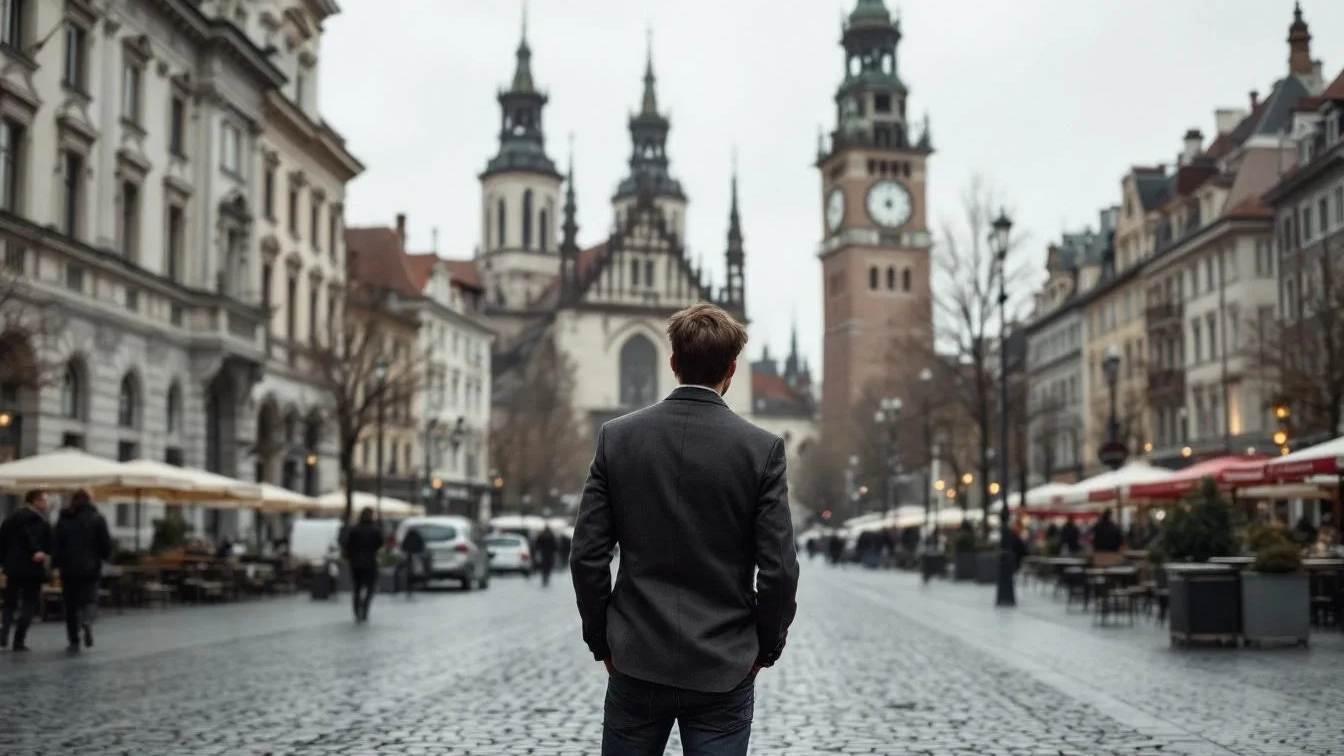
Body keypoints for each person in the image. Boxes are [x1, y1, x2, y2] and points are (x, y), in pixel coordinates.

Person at [571, 303, 800, 756]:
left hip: (637, 657)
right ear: (732, 369)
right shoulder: (762, 449)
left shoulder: (616, 438)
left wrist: (604, 641)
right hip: (724, 661)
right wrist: (763, 651)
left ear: (673, 362)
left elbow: (587, 556)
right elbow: (779, 569)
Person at [51, 490, 111, 652]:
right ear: (89, 500)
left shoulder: (64, 519)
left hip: (68, 568)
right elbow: (105, 544)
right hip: (90, 567)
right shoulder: (97, 519)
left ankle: (73, 640)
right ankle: (87, 621)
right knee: (90, 598)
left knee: (70, 604)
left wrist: (54, 565)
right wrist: (105, 558)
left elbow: (56, 544)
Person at [0, 490, 52, 651]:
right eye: (44, 500)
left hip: (13, 568)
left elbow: (1, 543)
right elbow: (48, 546)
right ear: (35, 501)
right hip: (32, 569)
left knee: (10, 602)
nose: (46, 504)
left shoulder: (10, 520)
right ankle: (19, 639)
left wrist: (4, 563)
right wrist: (40, 553)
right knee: (30, 603)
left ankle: (4, 632)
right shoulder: (42, 523)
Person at [343, 508, 383, 622]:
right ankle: (365, 608)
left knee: (357, 588)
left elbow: (348, 544)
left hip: (355, 563)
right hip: (370, 562)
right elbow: (380, 543)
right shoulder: (374, 529)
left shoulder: (354, 529)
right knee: (370, 588)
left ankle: (357, 611)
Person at [397, 526, 426, 598]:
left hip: (408, 558)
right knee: (416, 571)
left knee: (408, 573)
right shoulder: (418, 537)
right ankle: (414, 584)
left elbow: (403, 546)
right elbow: (421, 546)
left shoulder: (407, 538)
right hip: (415, 557)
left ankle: (408, 587)